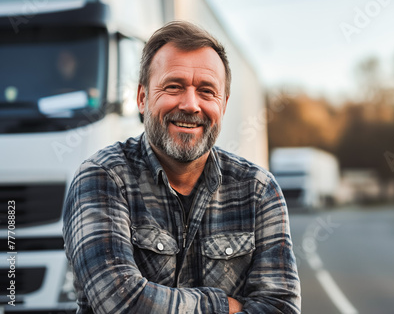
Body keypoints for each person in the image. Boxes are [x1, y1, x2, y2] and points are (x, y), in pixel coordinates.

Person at [62, 21, 301, 314]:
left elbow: (281, 308)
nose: (190, 105)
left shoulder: (258, 190)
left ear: (223, 105)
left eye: (206, 91)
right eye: (174, 87)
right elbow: (122, 302)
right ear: (142, 98)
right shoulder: (102, 177)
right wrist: (223, 306)